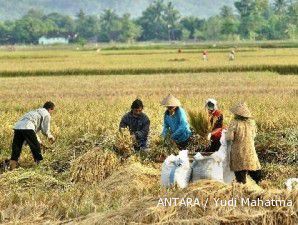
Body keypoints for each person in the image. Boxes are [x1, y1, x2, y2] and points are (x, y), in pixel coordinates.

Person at [10, 101, 56, 170]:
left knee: (16, 149)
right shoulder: (46, 114)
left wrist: (40, 143)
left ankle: (11, 169)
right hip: (28, 127)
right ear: (50, 109)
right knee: (36, 148)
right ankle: (39, 167)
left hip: (18, 127)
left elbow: (33, 133)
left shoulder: (35, 111)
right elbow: (45, 130)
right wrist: (50, 137)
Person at [226, 102, 262, 184]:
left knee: (241, 179)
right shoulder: (252, 123)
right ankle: (262, 191)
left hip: (238, 152)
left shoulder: (234, 123)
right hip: (250, 151)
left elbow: (229, 137)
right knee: (256, 175)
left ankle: (242, 193)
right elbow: (254, 135)